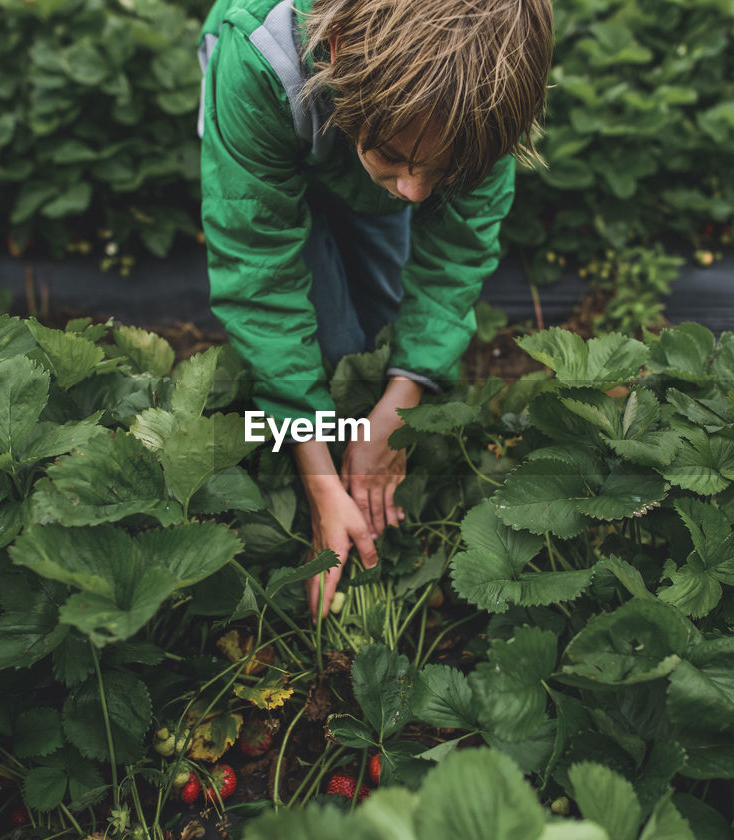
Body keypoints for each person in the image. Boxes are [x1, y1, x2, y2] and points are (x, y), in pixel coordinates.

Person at [197, 0, 553, 619]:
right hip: (275, 121)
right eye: (396, 157)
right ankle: (305, 469)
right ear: (338, 51)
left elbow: (454, 257)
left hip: (381, 127)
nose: (416, 193)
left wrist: (402, 400)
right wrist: (315, 474)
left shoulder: (492, 98)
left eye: (443, 173)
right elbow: (258, 271)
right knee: (331, 347)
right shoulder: (260, 55)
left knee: (382, 342)